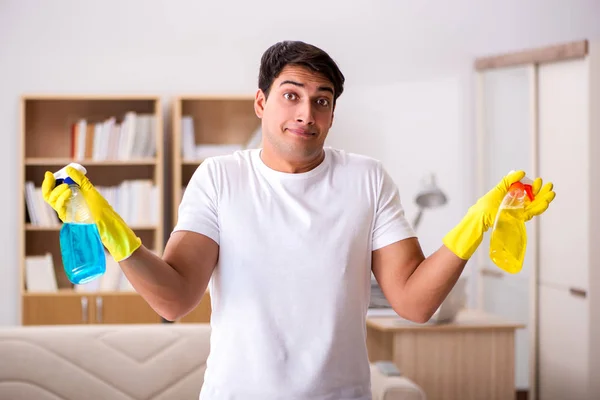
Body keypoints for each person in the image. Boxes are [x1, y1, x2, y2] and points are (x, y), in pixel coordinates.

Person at [42, 40, 556, 400]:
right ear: (262, 103)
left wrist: (477, 223)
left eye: (321, 100)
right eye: (291, 95)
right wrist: (112, 230)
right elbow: (175, 299)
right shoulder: (219, 178)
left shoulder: (367, 179)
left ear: (332, 113)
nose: (306, 112)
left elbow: (415, 302)